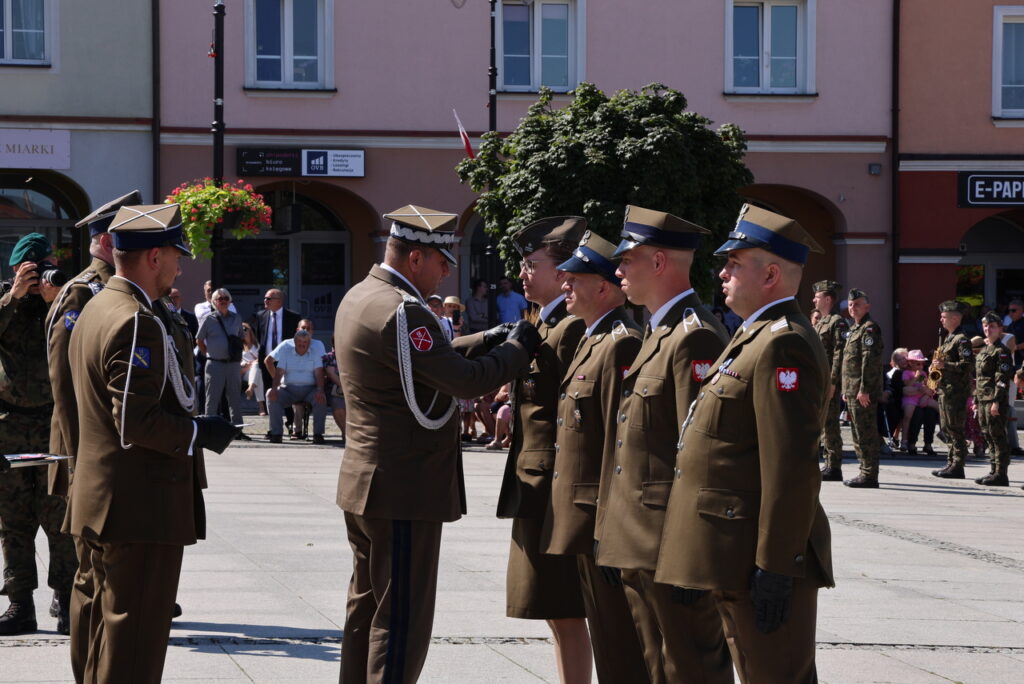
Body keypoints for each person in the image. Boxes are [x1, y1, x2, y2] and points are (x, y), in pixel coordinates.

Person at [334, 204, 536, 683]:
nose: (447, 272)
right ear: (416, 258)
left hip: (368, 481)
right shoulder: (405, 313)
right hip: (405, 485)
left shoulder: (363, 296)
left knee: (365, 611)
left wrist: (487, 336)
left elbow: (422, 358)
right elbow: (463, 381)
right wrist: (516, 348)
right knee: (401, 620)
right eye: (443, 261)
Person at [656, 203, 834, 684]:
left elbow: (791, 466)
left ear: (771, 274)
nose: (722, 273)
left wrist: (776, 566)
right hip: (732, 552)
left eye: (734, 265)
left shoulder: (783, 342)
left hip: (760, 558)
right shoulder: (752, 336)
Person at [66, 203, 236, 683]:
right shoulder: (137, 319)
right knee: (133, 644)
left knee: (106, 635)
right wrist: (201, 432)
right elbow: (134, 422)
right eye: (177, 255)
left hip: (104, 497)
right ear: (154, 256)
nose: (182, 265)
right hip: (140, 504)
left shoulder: (99, 304)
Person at [598, 205, 732, 684]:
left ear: (658, 263)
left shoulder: (694, 338)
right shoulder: (661, 331)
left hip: (668, 545)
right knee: (657, 666)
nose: (617, 271)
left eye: (626, 260)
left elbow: (697, 455)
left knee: (689, 667)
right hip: (639, 538)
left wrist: (687, 552)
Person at [43, 190, 142, 665]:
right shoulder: (83, 292)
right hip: (87, 456)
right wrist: (84, 462)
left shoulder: (117, 292)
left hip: (103, 458)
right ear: (108, 239)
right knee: (91, 576)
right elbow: (66, 389)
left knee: (101, 575)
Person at [495, 216, 594, 684]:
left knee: (565, 608)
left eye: (532, 264)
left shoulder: (570, 328)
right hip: (535, 481)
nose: (522, 273)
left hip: (554, 486)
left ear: (563, 272)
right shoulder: (541, 321)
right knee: (554, 610)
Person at [547, 230, 649, 683]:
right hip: (582, 519)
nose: (564, 285)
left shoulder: (621, 342)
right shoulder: (593, 339)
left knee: (620, 647)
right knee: (607, 638)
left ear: (604, 288)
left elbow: (617, 444)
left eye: (574, 279)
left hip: (599, 523)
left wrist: (608, 530)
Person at [0, 233, 75, 637]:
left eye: (44, 264)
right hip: (8, 425)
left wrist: (52, 303)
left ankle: (65, 597)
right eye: (33, 268)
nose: (41, 273)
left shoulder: (65, 299)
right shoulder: (3, 300)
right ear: (16, 269)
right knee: (14, 521)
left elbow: (77, 340)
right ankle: (19, 604)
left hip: (53, 425)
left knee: (59, 517)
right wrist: (15, 296)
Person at [841, 289, 885, 488]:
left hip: (862, 391)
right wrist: (845, 388)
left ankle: (869, 474)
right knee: (857, 432)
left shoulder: (869, 328)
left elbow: (870, 361)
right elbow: (848, 363)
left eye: (857, 304)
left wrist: (864, 389)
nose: (853, 308)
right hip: (852, 389)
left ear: (867, 307)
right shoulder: (855, 329)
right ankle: (863, 472)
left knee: (866, 432)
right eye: (850, 305)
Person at [931, 300, 975, 479]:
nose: (941, 319)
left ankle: (958, 465)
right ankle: (951, 462)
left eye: (944, 317)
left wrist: (945, 364)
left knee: (955, 428)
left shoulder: (961, 339)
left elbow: (967, 365)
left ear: (956, 318)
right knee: (947, 428)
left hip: (956, 391)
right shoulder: (948, 338)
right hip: (945, 390)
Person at [811, 280, 849, 481]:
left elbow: (839, 354)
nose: (813, 300)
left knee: (831, 423)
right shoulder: (822, 322)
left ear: (827, 299)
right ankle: (827, 463)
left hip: (829, 381)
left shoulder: (837, 322)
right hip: (819, 380)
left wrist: (833, 382)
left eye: (817, 297)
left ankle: (834, 466)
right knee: (823, 423)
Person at [197, 287, 246, 438]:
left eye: (226, 298)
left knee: (235, 398)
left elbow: (241, 337)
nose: (223, 301)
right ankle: (209, 431)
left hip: (233, 364)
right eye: (220, 299)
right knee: (212, 399)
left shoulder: (237, 318)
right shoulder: (208, 318)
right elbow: (199, 340)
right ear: (214, 302)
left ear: (230, 301)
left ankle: (237, 430)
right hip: (215, 364)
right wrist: (209, 354)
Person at [265, 329, 328, 444]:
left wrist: (320, 389)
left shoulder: (315, 353)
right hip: (289, 389)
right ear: (294, 342)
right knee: (271, 395)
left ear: (309, 343)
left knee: (321, 398)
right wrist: (274, 388)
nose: (302, 344)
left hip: (310, 390)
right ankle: (276, 433)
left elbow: (319, 374)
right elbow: (278, 373)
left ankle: (318, 434)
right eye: (299, 341)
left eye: (305, 342)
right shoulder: (286, 353)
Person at [972, 313, 1014, 486]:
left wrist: (996, 401)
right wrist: (976, 399)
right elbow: (980, 379)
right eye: (985, 326)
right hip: (983, 398)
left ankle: (1001, 474)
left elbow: (1002, 379)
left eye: (992, 327)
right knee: (988, 435)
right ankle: (993, 470)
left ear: (1000, 329)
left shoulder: (1001, 352)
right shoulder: (985, 350)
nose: (988, 329)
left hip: (994, 400)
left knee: (998, 436)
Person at [248, 288, 301, 423]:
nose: (265, 300)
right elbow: (260, 337)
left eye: (269, 298)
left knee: (286, 391)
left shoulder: (293, 317)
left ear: (279, 301)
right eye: (265, 298)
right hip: (268, 361)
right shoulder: (261, 316)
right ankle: (273, 426)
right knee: (269, 393)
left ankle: (290, 422)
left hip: (286, 361)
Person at [900, 350, 940, 450]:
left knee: (938, 407)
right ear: (910, 363)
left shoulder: (923, 373)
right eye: (918, 364)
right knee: (907, 416)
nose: (921, 366)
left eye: (922, 364)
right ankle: (904, 440)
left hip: (921, 397)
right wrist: (916, 377)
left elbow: (926, 385)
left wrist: (928, 384)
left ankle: (944, 430)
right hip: (910, 398)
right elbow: (907, 385)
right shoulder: (907, 373)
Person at [321, 341, 346, 443]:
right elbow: (331, 374)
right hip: (334, 389)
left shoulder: (354, 355)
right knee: (338, 404)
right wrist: (344, 387)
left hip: (353, 388)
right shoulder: (329, 357)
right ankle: (347, 434)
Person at [240, 321, 266, 415]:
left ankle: (251, 388)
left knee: (257, 369)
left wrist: (255, 362)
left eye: (245, 330)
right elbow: (238, 366)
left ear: (250, 331)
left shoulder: (257, 346)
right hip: (245, 372)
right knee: (256, 369)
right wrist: (245, 365)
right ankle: (261, 407)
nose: (244, 332)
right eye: (241, 330)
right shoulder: (240, 347)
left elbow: (263, 359)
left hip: (256, 372)